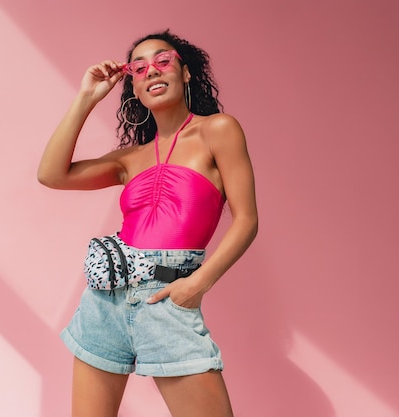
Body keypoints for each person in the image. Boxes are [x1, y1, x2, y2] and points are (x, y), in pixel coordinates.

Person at [38, 30, 258, 417]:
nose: (152, 71)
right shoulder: (129, 158)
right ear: (134, 89)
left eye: (163, 61)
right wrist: (86, 98)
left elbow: (247, 220)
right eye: (139, 68)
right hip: (105, 300)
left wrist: (196, 284)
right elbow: (51, 174)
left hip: (168, 297)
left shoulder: (218, 130)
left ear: (185, 72)